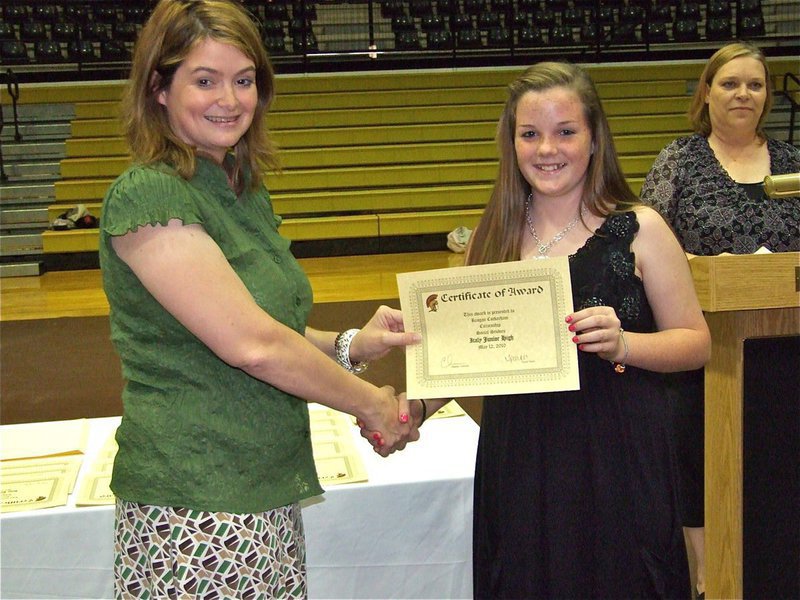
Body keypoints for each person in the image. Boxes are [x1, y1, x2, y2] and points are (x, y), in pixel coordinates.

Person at [99, 1, 418, 597]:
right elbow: (252, 345)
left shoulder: (237, 190)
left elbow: (273, 329)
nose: (230, 98)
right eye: (205, 80)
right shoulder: (148, 196)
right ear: (158, 89)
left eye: (243, 80)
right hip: (196, 507)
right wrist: (372, 406)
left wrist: (353, 344)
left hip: (259, 490)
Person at [364, 62, 712, 598]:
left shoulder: (641, 228)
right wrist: (413, 411)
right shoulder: (491, 235)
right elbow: (468, 357)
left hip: (619, 461)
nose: (547, 148)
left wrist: (625, 344)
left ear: (595, 138)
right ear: (512, 143)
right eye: (530, 134)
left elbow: (695, 343)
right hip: (521, 461)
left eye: (565, 132)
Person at [640, 41, 800, 600]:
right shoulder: (678, 162)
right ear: (706, 92)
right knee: (695, 458)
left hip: (784, 344)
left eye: (755, 85)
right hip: (698, 350)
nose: (744, 94)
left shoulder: (793, 163)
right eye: (730, 83)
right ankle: (708, 575)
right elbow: (642, 245)